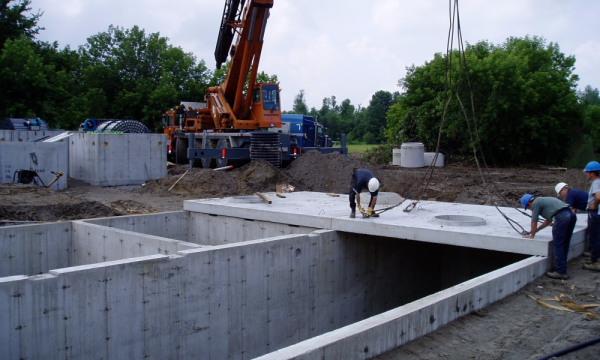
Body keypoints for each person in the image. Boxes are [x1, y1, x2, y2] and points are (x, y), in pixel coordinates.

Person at [521, 194, 577, 279]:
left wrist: (532, 235)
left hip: (562, 217)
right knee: (565, 242)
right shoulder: (542, 201)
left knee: (559, 244)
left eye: (528, 208)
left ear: (529, 204)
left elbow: (534, 221)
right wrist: (536, 230)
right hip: (571, 215)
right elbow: (548, 221)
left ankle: (560, 271)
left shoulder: (535, 203)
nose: (530, 209)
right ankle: (562, 267)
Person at [583, 161, 600, 271]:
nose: (586, 174)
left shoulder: (596, 183)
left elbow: (598, 197)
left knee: (595, 238)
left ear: (592, 173)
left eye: (587, 172)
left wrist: (594, 206)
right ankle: (595, 259)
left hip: (594, 214)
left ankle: (596, 262)